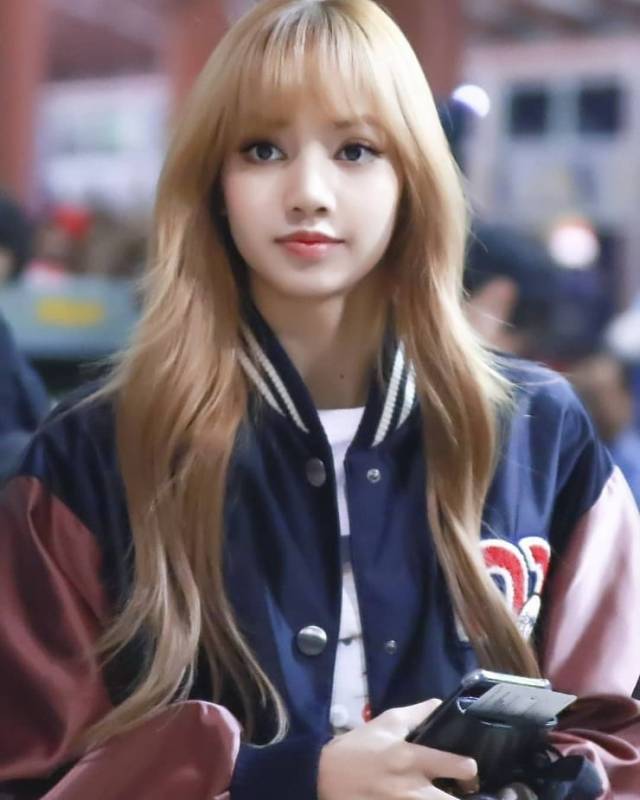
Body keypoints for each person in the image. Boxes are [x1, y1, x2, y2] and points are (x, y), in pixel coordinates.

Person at [1, 2, 639, 798]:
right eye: (262, 149)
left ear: (413, 177)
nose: (308, 192)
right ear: (213, 179)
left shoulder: (540, 432)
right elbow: (32, 774)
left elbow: (619, 733)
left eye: (356, 150)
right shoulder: (93, 451)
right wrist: (292, 778)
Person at [569, 353, 640, 507]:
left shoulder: (634, 462)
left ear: (626, 398)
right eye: (588, 397)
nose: (597, 407)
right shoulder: (572, 459)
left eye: (603, 395)